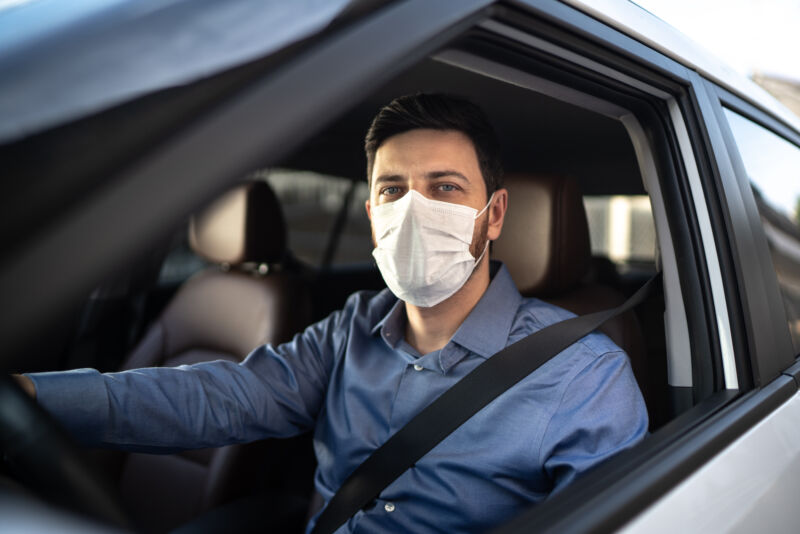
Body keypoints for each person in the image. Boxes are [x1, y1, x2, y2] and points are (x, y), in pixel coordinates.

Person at [14, 93, 647, 533]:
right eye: (392, 190)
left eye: (445, 188)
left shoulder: (583, 376)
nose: (413, 210)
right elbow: (224, 395)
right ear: (372, 216)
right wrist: (29, 403)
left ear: (496, 214)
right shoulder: (352, 327)